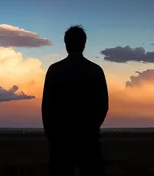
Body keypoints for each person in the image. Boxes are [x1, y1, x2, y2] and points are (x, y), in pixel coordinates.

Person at [42, 25, 109, 176]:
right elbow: (103, 105)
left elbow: (47, 107)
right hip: (88, 140)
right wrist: (92, 129)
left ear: (66, 44)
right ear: (84, 44)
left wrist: (52, 135)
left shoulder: (54, 70)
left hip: (61, 141)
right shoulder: (95, 70)